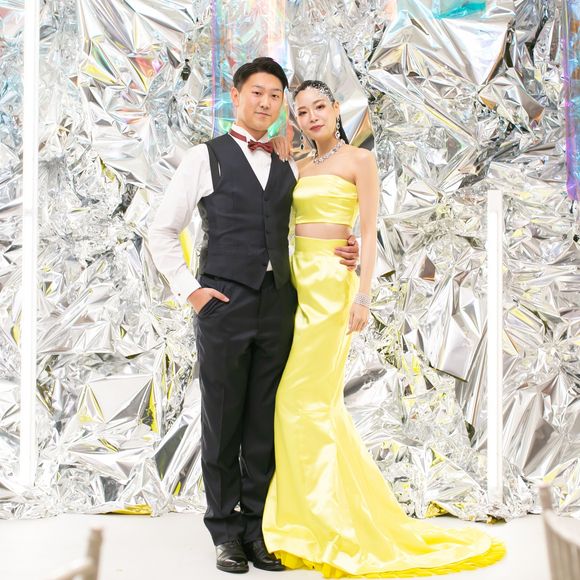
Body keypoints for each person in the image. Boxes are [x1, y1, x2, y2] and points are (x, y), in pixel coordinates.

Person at [261, 80, 506, 577]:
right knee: (316, 406)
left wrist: (363, 295)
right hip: (296, 284)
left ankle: (319, 519)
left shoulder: (360, 160)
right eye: (302, 111)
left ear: (336, 109)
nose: (312, 117)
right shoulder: (299, 165)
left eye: (319, 107)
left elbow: (368, 232)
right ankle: (316, 512)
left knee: (299, 401)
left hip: (332, 286)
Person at [149, 59, 359, 574]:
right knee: (223, 420)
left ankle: (259, 529)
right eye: (257, 92)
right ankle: (225, 532)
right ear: (237, 95)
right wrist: (192, 292)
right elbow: (161, 230)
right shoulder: (205, 157)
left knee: (265, 420)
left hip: (278, 301)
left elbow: (313, 218)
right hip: (223, 302)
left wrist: (346, 244)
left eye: (275, 95)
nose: (266, 102)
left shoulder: (290, 161)